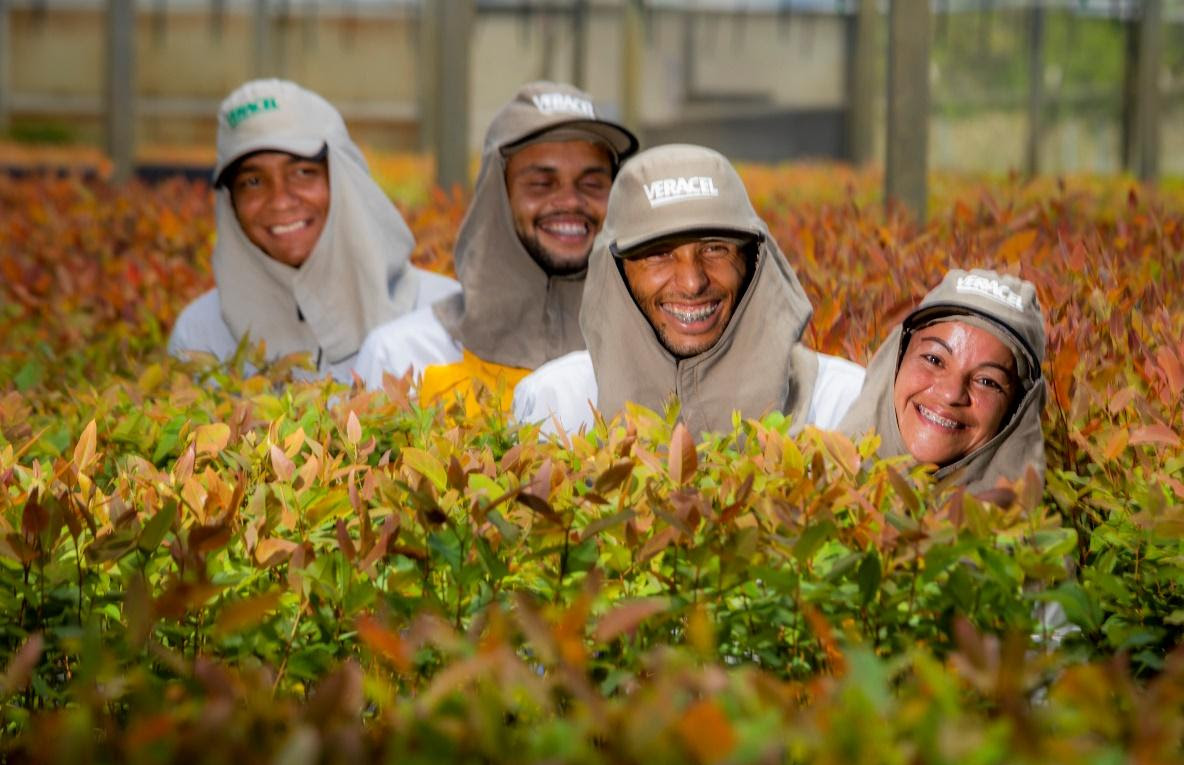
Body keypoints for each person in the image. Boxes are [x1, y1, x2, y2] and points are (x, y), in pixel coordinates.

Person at [512, 143, 864, 436]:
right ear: (615, 270)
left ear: (753, 260)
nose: (693, 282)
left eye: (715, 249)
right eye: (659, 255)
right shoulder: (557, 404)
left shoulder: (840, 403)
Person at [354, 81, 638, 411]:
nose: (570, 201)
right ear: (496, 195)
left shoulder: (647, 357)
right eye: (541, 183)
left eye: (592, 183)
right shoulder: (404, 356)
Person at [168, 78, 458, 382]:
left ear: (344, 177)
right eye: (253, 182)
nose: (280, 201)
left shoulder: (441, 315)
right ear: (231, 203)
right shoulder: (199, 336)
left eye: (303, 173)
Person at [837, 268, 1047, 493]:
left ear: (1017, 410)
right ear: (897, 358)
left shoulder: (1014, 526)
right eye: (934, 359)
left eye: (987, 381)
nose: (951, 393)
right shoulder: (811, 438)